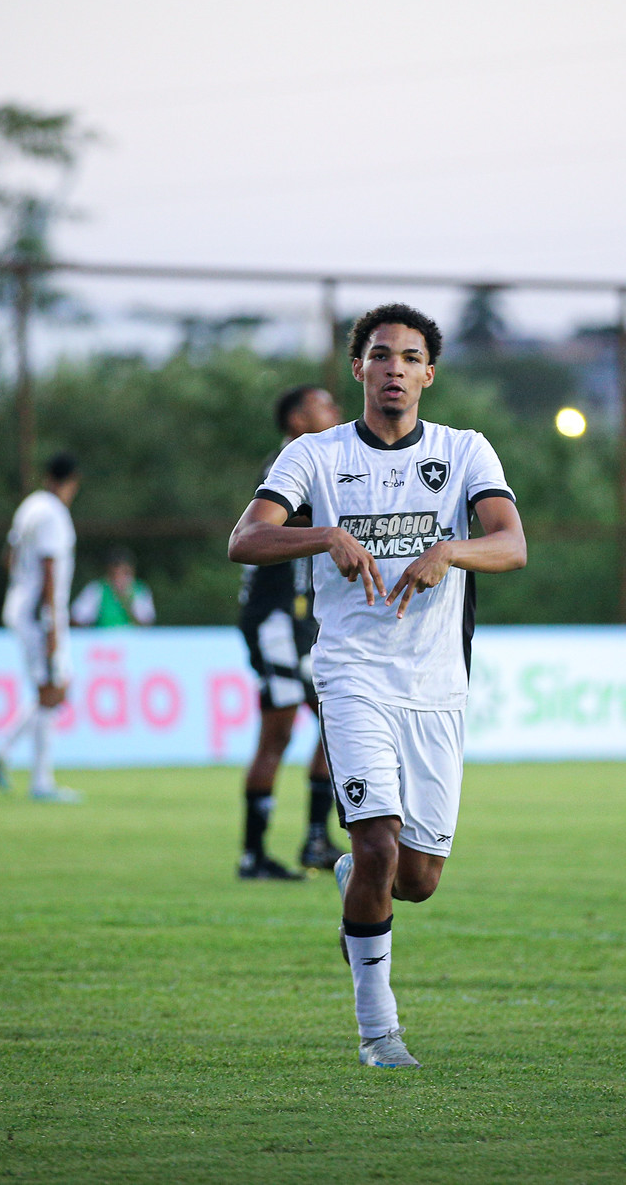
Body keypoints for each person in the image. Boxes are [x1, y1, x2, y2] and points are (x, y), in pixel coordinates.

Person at [227, 303, 526, 1070]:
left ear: (429, 374)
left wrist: (450, 551)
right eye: (381, 354)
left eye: (411, 356)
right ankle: (378, 1032)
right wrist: (325, 532)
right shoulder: (315, 456)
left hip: (435, 685)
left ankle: (360, 876)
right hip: (351, 675)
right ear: (358, 367)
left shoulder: (464, 451)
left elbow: (512, 545)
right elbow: (245, 538)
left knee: (416, 878)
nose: (395, 367)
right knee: (377, 843)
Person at [235, 384, 344, 882]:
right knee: (277, 733)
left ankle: (314, 840)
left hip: (302, 620)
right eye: (324, 406)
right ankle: (253, 854)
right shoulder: (286, 466)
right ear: (298, 419)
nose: (336, 412)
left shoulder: (316, 464)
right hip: (274, 618)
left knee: (334, 720)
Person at [0, 453, 83, 802]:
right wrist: (51, 624)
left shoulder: (30, 506)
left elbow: (8, 556)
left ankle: (5, 755)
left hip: (20, 607)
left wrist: (19, 585)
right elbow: (50, 570)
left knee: (55, 689)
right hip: (39, 616)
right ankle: (38, 779)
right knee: (52, 689)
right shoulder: (55, 515)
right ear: (71, 482)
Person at [70, 548, 156, 628]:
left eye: (125, 572)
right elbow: (77, 618)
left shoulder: (140, 590)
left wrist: (126, 600)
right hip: (104, 641)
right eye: (116, 572)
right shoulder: (97, 589)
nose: (120, 577)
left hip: (133, 642)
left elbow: (147, 621)